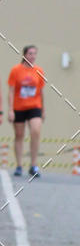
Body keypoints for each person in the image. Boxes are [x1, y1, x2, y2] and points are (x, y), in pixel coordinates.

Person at [8, 45, 45, 178]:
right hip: (19, 107)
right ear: (24, 55)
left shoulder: (39, 70)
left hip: (34, 106)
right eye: (30, 53)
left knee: (35, 131)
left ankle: (33, 165)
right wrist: (10, 110)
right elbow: (11, 91)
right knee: (19, 135)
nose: (32, 56)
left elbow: (41, 92)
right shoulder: (16, 70)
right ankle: (19, 165)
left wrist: (43, 110)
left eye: (34, 54)